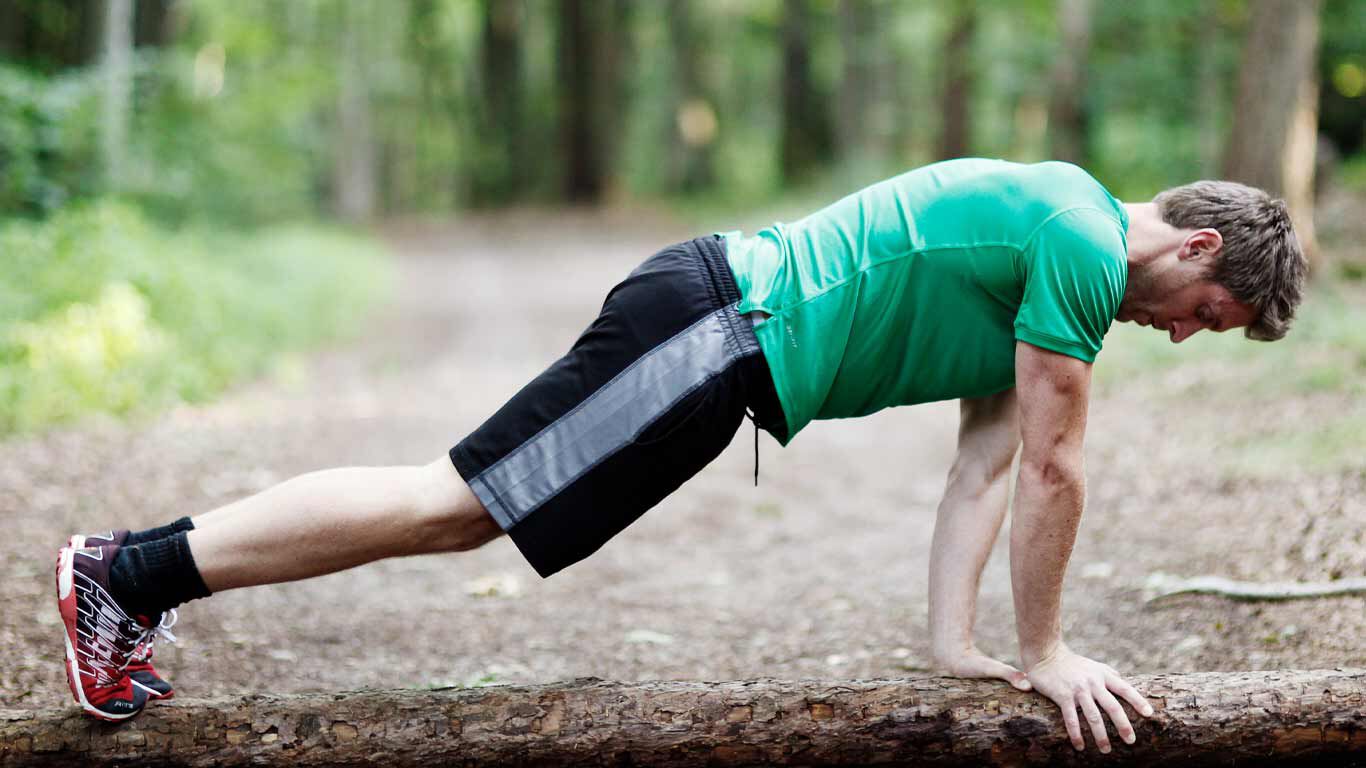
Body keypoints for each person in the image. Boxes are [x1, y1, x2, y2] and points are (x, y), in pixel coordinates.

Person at [55, 158, 1305, 752]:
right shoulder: (1082, 244)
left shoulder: (1062, 253)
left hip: (714, 341)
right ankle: (130, 572)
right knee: (460, 504)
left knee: (465, 507)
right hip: (717, 331)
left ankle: (140, 577)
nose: (1187, 338)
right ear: (1195, 249)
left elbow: (987, 463)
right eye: (1208, 318)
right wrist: (1045, 654)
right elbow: (1053, 470)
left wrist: (955, 647)